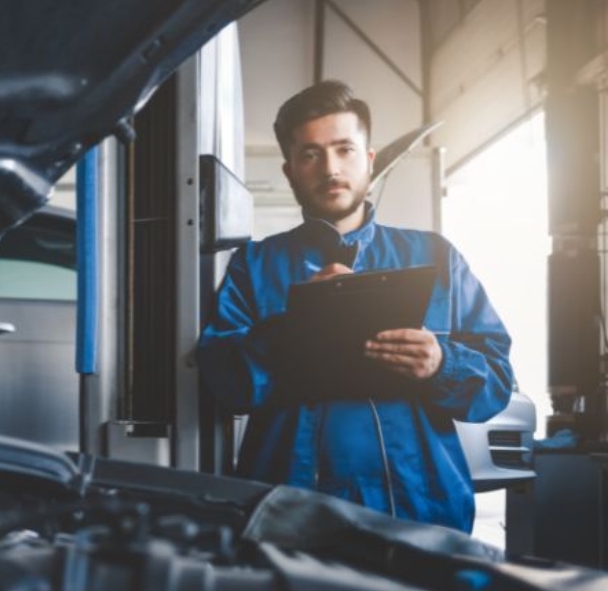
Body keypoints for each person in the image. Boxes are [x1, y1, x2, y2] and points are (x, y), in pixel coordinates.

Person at [197, 80, 513, 532]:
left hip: (421, 515)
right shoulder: (254, 265)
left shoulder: (436, 257)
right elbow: (227, 384)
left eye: (344, 150)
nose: (330, 168)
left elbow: (496, 384)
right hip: (292, 520)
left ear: (368, 159)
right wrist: (298, 324)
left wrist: (443, 363)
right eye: (310, 154)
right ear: (290, 172)